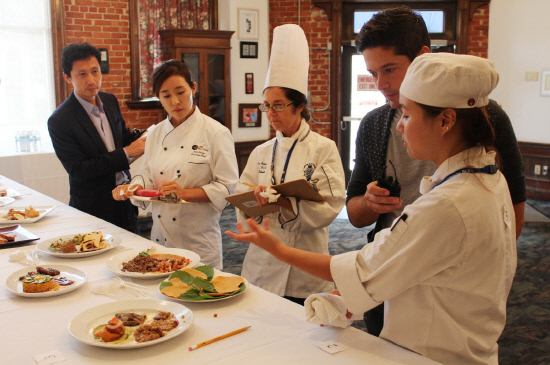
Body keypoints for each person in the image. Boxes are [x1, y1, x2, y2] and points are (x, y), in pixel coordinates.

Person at [227, 53, 517, 365]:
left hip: (432, 353)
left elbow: (365, 266)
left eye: (406, 115)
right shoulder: (490, 179)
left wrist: (277, 247)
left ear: (446, 120)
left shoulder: (447, 204)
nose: (400, 128)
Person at [345, 6, 526, 336]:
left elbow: (510, 212)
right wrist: (368, 204)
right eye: (372, 73)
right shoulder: (372, 127)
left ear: (423, 58)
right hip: (385, 271)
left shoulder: (486, 117)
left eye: (389, 69)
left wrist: (479, 275)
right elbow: (354, 213)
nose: (381, 84)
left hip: (452, 289)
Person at [234, 24, 346, 306]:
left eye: (279, 105)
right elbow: (240, 195)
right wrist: (255, 201)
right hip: (262, 264)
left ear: (299, 106)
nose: (270, 113)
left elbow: (332, 204)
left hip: (304, 264)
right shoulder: (260, 151)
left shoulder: (323, 148)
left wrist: (286, 203)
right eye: (266, 105)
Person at [113, 60, 238, 269]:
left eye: (181, 92)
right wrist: (133, 187)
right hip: (160, 240)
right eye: (166, 95)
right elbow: (147, 175)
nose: (175, 102)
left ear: (193, 88)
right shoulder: (155, 134)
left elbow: (227, 188)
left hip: (198, 241)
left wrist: (185, 193)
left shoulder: (216, 133)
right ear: (158, 98)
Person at [48, 42, 146, 233]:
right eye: (82, 74)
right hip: (93, 208)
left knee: (136, 257)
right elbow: (79, 169)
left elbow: (120, 138)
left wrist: (149, 137)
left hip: (125, 200)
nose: (92, 80)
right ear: (67, 78)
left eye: (95, 71)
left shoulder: (109, 101)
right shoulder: (60, 120)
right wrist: (127, 153)